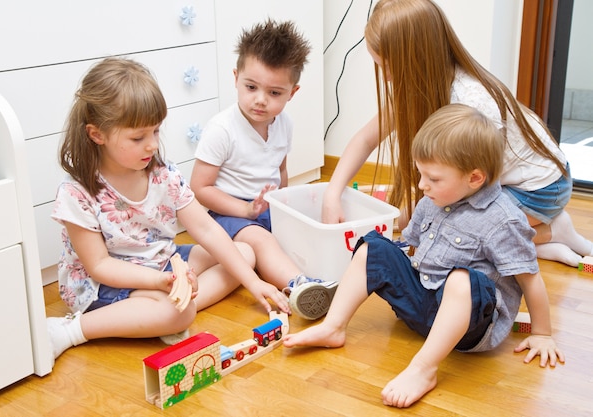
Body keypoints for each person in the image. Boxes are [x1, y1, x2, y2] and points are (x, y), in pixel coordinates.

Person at [284, 103, 565, 408]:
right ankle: (333, 327)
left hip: (470, 329)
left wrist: (542, 333)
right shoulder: (431, 201)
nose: (421, 185)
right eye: (421, 174)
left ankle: (423, 369)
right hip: (424, 308)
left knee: (461, 280)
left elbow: (530, 279)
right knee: (374, 248)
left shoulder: (504, 220)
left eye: (433, 178)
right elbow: (409, 248)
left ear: (474, 178)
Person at [47, 57, 290, 366]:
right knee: (174, 311)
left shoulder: (162, 174)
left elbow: (206, 228)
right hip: (106, 284)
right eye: (138, 137)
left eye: (156, 132)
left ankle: (167, 312)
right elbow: (100, 266)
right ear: (97, 135)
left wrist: (254, 283)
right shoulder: (76, 192)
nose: (152, 146)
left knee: (243, 253)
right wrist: (157, 283)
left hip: (162, 263)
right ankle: (71, 331)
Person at [322, 0, 593, 267]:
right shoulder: (419, 84)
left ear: (414, 58)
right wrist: (332, 194)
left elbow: (480, 189)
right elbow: (365, 138)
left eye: (387, 67)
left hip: (539, 188)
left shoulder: (471, 101)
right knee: (424, 222)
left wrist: (425, 220)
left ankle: (551, 232)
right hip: (495, 180)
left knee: (451, 235)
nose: (388, 78)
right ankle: (537, 239)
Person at [190, 19, 337, 320]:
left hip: (267, 209)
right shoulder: (222, 129)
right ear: (236, 78)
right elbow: (200, 189)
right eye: (251, 87)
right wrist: (245, 211)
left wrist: (286, 206)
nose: (260, 100)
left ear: (292, 93)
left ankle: (316, 273)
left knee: (302, 229)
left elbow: (280, 171)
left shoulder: (284, 124)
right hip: (229, 215)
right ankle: (300, 287)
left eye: (274, 93)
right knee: (262, 241)